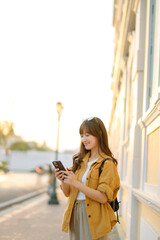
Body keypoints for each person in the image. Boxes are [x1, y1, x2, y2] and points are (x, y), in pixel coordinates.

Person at [55, 117, 120, 240]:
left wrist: (76, 183)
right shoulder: (80, 161)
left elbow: (102, 197)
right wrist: (64, 180)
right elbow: (67, 193)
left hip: (94, 215)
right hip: (75, 213)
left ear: (99, 135)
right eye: (81, 135)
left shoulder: (107, 163)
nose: (83, 139)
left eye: (87, 135)